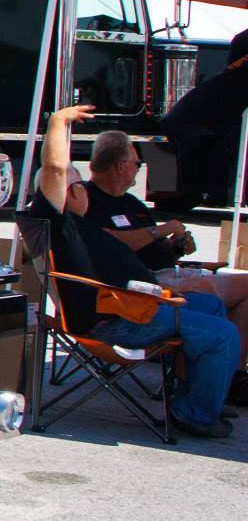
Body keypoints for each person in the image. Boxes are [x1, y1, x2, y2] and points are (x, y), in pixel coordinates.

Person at [34, 104, 241, 438]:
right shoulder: (59, 221)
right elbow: (55, 168)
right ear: (67, 195)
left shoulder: (79, 224)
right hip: (117, 318)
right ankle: (196, 415)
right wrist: (58, 122)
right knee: (223, 334)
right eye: (78, 188)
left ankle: (195, 396)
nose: (84, 190)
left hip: (134, 304)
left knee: (213, 307)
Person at [72, 128, 248, 388]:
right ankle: (218, 382)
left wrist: (177, 246)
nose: (139, 168)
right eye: (137, 163)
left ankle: (224, 377)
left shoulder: (131, 203)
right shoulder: (89, 202)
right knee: (216, 300)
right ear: (120, 167)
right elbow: (108, 244)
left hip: (166, 273)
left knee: (238, 297)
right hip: (139, 288)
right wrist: (160, 229)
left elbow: (153, 248)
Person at [162, 28, 248, 208]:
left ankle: (217, 193)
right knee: (227, 140)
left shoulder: (229, 80)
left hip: (196, 123)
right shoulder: (234, 82)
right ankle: (216, 193)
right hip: (188, 126)